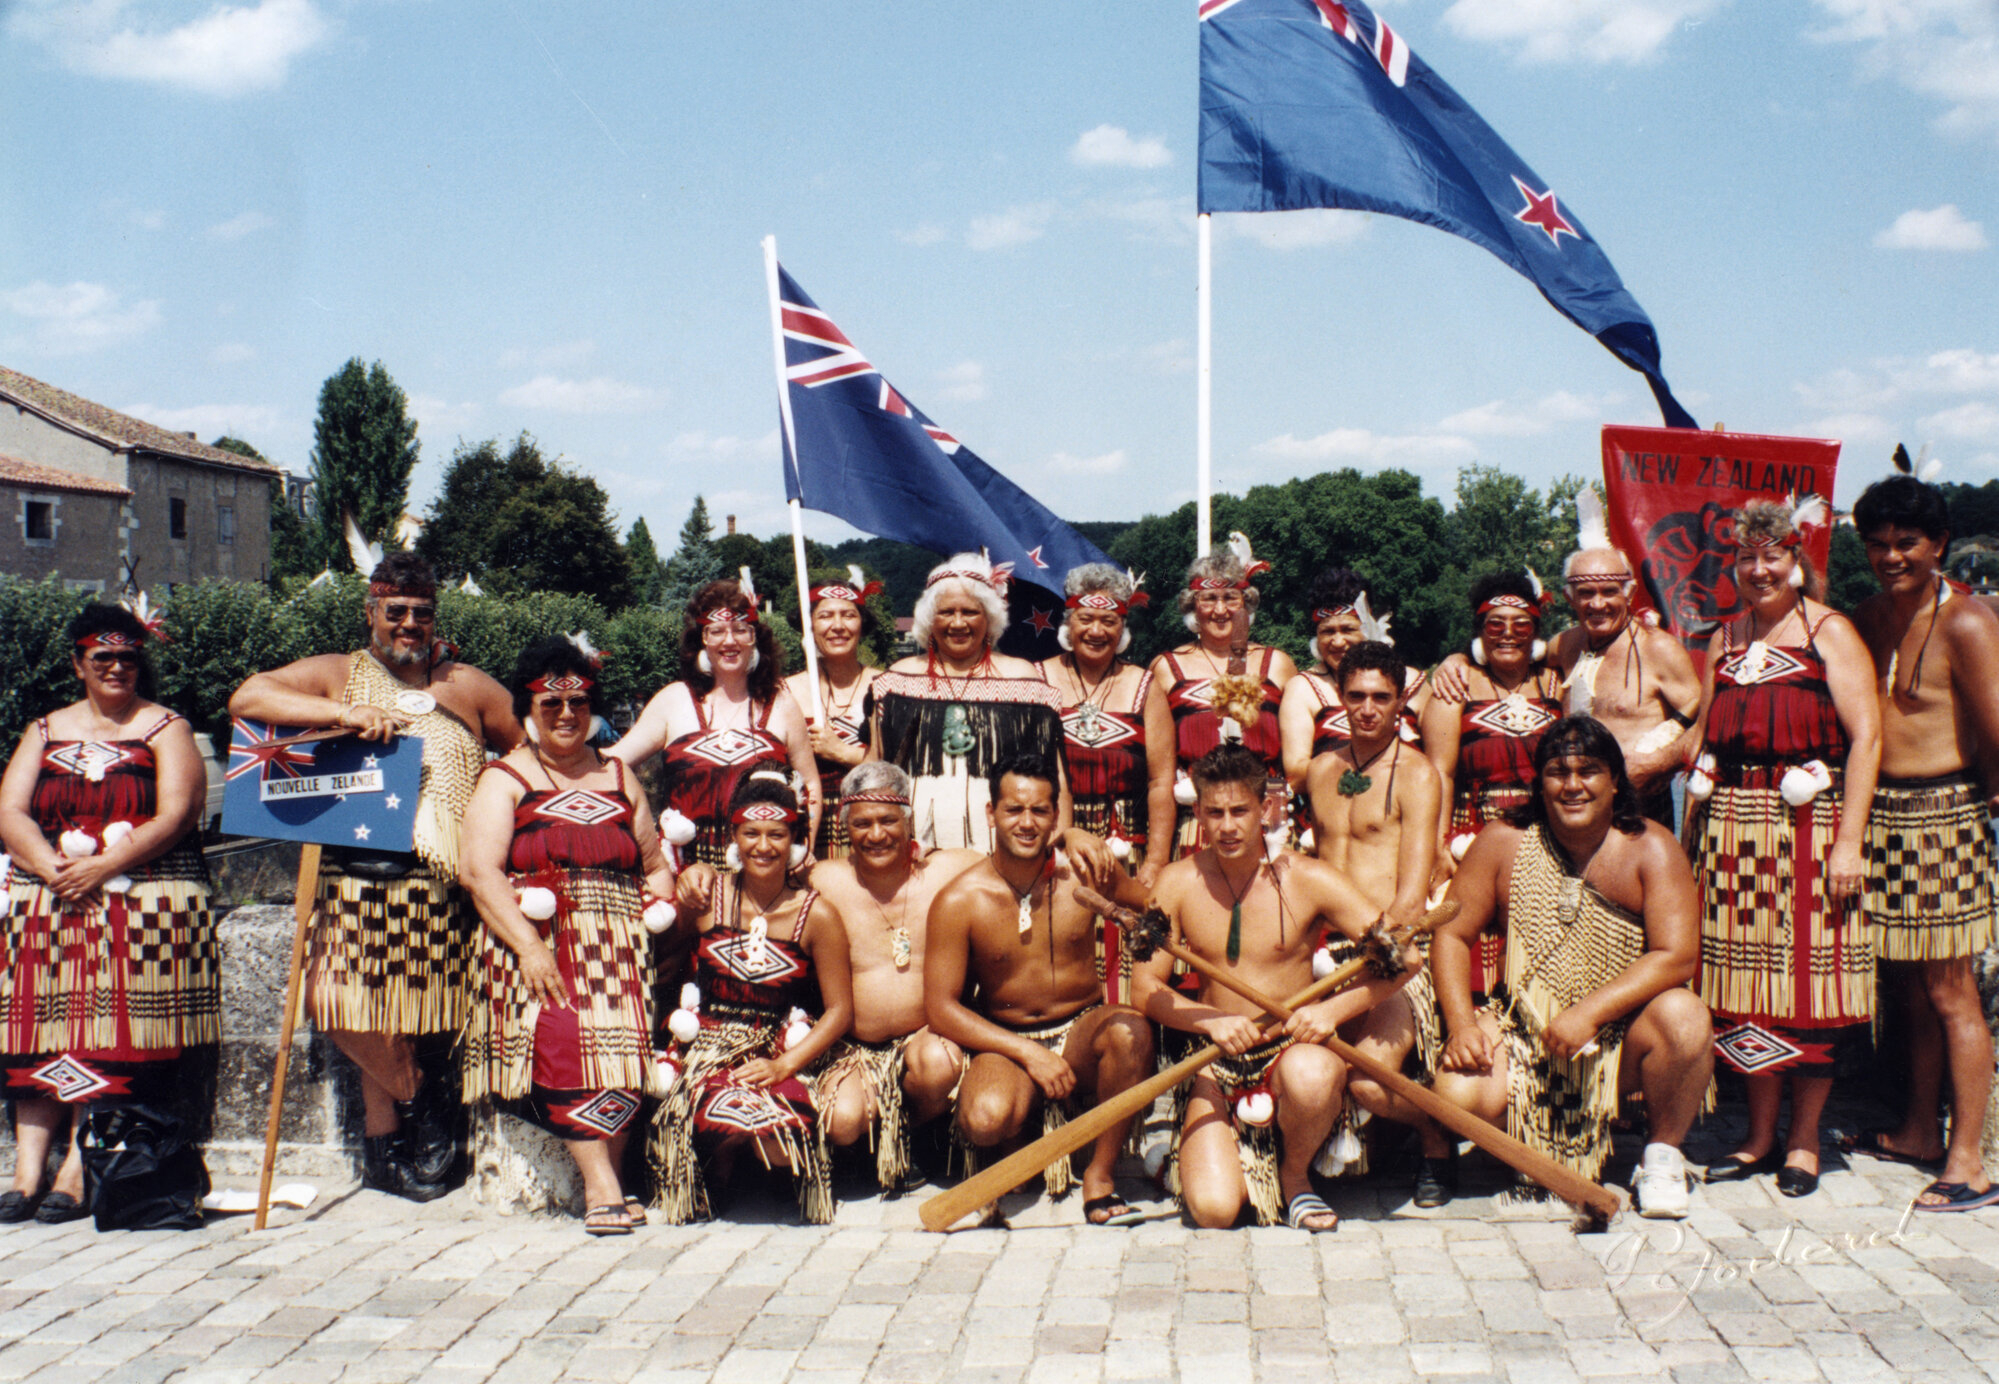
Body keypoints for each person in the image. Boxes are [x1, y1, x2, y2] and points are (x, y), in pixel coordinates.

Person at [229, 551, 520, 1201]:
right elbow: (247, 698)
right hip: (353, 877)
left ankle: (384, 1153)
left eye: (421, 613)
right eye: (397, 612)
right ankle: (422, 1105)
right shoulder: (338, 674)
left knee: (408, 1016)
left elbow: (525, 746)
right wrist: (341, 716)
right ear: (372, 612)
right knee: (338, 1003)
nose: (410, 624)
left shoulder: (467, 684)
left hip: (440, 882)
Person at [1430, 716, 1713, 1219]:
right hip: (1524, 1030)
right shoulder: (1504, 841)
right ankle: (1526, 1139)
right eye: (1559, 772)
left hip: (1619, 1038)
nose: (1574, 785)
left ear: (1615, 781)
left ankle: (1664, 1154)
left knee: (1685, 1016)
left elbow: (1677, 955)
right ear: (1540, 783)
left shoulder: (1650, 846)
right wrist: (1461, 1025)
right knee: (1456, 1091)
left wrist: (1590, 1012)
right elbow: (1451, 932)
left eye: (1589, 771)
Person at [1136, 744, 1420, 1230]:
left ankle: (1294, 1178)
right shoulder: (1177, 881)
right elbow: (1143, 988)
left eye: (1240, 811)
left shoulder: (1308, 878)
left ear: (1264, 808)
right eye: (1215, 813)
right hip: (1217, 1060)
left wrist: (1333, 1012)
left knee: (1312, 1074)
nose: (1228, 826)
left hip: (1293, 1050)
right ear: (1198, 813)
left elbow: (1404, 957)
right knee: (1214, 1211)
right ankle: (1184, 1155)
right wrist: (1212, 1020)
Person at [0, 604, 218, 1227]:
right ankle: (27, 1167)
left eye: (128, 657)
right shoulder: (44, 730)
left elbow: (175, 813)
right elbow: (12, 810)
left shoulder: (164, 727)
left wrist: (103, 866)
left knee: (105, 1029)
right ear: (78, 665)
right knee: (37, 1027)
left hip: (137, 897)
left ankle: (80, 1164)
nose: (117, 668)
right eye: (103, 659)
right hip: (50, 894)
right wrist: (50, 868)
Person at [1689, 499, 1877, 1199]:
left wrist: (1848, 841)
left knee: (1807, 982)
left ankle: (1803, 1142)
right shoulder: (1724, 638)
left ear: (1796, 562)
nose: (1758, 569)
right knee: (1742, 984)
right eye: (1746, 557)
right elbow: (1703, 733)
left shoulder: (1829, 632)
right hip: (1732, 830)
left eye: (1772, 556)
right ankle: (1758, 1135)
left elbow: (1866, 737)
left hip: (1809, 829)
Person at [458, 637, 677, 1235]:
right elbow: (478, 871)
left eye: (578, 702)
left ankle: (611, 1172)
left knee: (625, 1048)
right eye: (550, 703)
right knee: (565, 1037)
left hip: (619, 945)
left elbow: (655, 864)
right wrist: (528, 946)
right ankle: (602, 1183)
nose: (565, 715)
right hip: (539, 946)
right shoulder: (505, 777)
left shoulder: (616, 774)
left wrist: (656, 910)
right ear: (527, 708)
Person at [1850, 474, 1999, 1211]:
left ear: (1938, 544)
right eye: (1876, 544)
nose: (1890, 556)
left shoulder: (1966, 622)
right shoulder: (1869, 616)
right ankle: (1915, 1130)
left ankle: (1967, 1160)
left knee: (1949, 989)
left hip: (1945, 813)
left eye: (1905, 542)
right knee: (1907, 988)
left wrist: (1985, 804)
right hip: (1882, 815)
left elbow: (1998, 732)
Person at [924, 752, 1156, 1225]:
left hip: (1080, 1033)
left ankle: (1100, 1176)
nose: (1026, 823)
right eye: (1014, 809)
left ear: (1056, 816)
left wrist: (1144, 935)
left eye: (1040, 811)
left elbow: (1154, 909)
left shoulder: (1087, 871)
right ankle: (1020, 1129)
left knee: (1130, 1030)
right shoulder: (960, 899)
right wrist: (1029, 1054)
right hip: (1006, 1040)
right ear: (991, 813)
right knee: (987, 1120)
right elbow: (941, 1009)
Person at [651, 775, 853, 1224]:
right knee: (722, 1120)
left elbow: (840, 1011)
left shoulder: (817, 914)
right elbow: (667, 967)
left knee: (783, 1145)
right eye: (751, 833)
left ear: (795, 839)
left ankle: (755, 1164)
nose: (764, 846)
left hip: (775, 1048)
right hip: (706, 1046)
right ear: (733, 838)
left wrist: (784, 1066)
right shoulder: (707, 898)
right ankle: (716, 1165)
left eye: (777, 834)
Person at [1302, 641, 1454, 1205]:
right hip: (1321, 952)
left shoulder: (1417, 775)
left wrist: (1371, 961)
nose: (1367, 708)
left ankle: (1435, 1136)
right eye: (1357, 696)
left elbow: (1412, 897)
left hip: (1393, 953)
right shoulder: (1321, 770)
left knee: (1367, 1079)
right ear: (1340, 698)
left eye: (1381, 698)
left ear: (1401, 704)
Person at [1432, 539, 1701, 825]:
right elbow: (1512, 649)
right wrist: (1459, 658)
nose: (1598, 604)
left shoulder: (1657, 648)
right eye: (1586, 593)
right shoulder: (1566, 645)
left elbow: (1704, 723)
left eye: (1609, 592)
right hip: (1574, 817)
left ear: (1629, 592)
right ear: (1569, 597)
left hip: (1638, 810)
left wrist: (1657, 763)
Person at [809, 762, 981, 1192]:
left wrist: (1072, 835)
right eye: (862, 823)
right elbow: (757, 890)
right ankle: (868, 1145)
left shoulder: (948, 869)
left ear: (909, 821)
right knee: (843, 1120)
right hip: (854, 1050)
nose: (877, 834)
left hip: (926, 1039)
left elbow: (1022, 862)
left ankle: (917, 1134)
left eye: (888, 820)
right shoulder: (824, 879)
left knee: (940, 1065)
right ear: (845, 826)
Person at [1419, 571, 1563, 1001]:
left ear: (1537, 633)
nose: (1507, 635)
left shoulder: (1555, 683)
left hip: (1544, 834)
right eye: (1494, 625)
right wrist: (1440, 846)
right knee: (1472, 932)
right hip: (1473, 831)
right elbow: (1438, 772)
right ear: (1479, 632)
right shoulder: (1456, 686)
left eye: (1521, 626)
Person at [865, 553, 1069, 853]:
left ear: (989, 617)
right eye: (946, 612)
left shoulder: (1024, 680)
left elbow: (1054, 778)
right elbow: (874, 765)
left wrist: (1055, 849)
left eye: (970, 612)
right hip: (912, 850)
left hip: (1002, 849)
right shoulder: (895, 681)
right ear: (929, 619)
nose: (958, 623)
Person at [1040, 564, 1177, 1003]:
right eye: (1086, 619)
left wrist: (1155, 862)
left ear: (1123, 626)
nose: (1096, 631)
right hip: (1056, 842)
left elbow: (1160, 781)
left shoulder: (1143, 685)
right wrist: (1058, 836)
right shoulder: (1037, 678)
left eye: (1109, 621)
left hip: (1128, 845)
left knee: (1127, 963)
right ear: (1068, 621)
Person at [612, 575, 819, 863]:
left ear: (754, 637)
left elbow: (809, 785)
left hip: (765, 867)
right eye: (717, 631)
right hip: (688, 876)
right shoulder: (674, 700)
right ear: (702, 640)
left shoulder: (781, 703)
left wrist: (803, 847)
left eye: (740, 629)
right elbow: (612, 766)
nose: (729, 640)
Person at [1145, 548, 1298, 855]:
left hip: (1269, 817)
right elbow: (1158, 766)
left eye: (1230, 598)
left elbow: (1297, 754)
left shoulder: (1277, 664)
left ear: (1247, 603)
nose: (1220, 610)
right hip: (1198, 818)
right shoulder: (1165, 668)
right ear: (1192, 606)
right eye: (1209, 599)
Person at [1279, 569, 1423, 791]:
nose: (1337, 642)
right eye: (1328, 632)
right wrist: (1365, 777)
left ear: (1368, 627)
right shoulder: (1303, 688)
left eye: (1347, 629)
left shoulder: (1413, 682)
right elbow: (1296, 774)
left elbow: (1439, 768)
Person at [783, 568, 883, 860]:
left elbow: (899, 765)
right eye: (825, 616)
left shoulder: (887, 686)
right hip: (809, 826)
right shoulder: (784, 691)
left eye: (848, 615)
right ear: (809, 627)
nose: (838, 626)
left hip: (873, 823)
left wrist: (841, 752)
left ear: (862, 625)